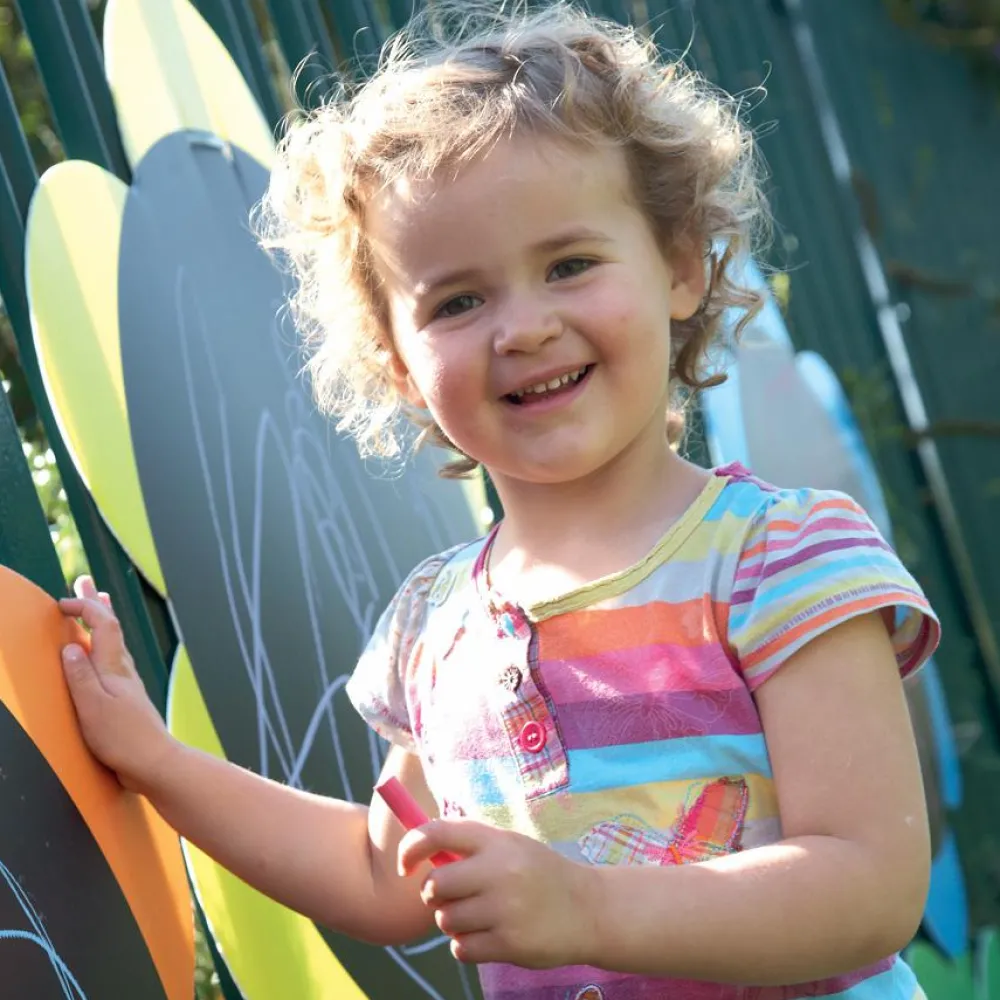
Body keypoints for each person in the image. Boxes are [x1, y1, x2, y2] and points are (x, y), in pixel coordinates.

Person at [59, 4, 940, 998]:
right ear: (395, 360)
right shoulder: (432, 633)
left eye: (568, 264)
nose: (521, 327)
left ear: (681, 267)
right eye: (457, 301)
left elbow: (867, 886)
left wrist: (590, 908)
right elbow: (376, 872)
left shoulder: (783, 559)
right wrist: (153, 759)